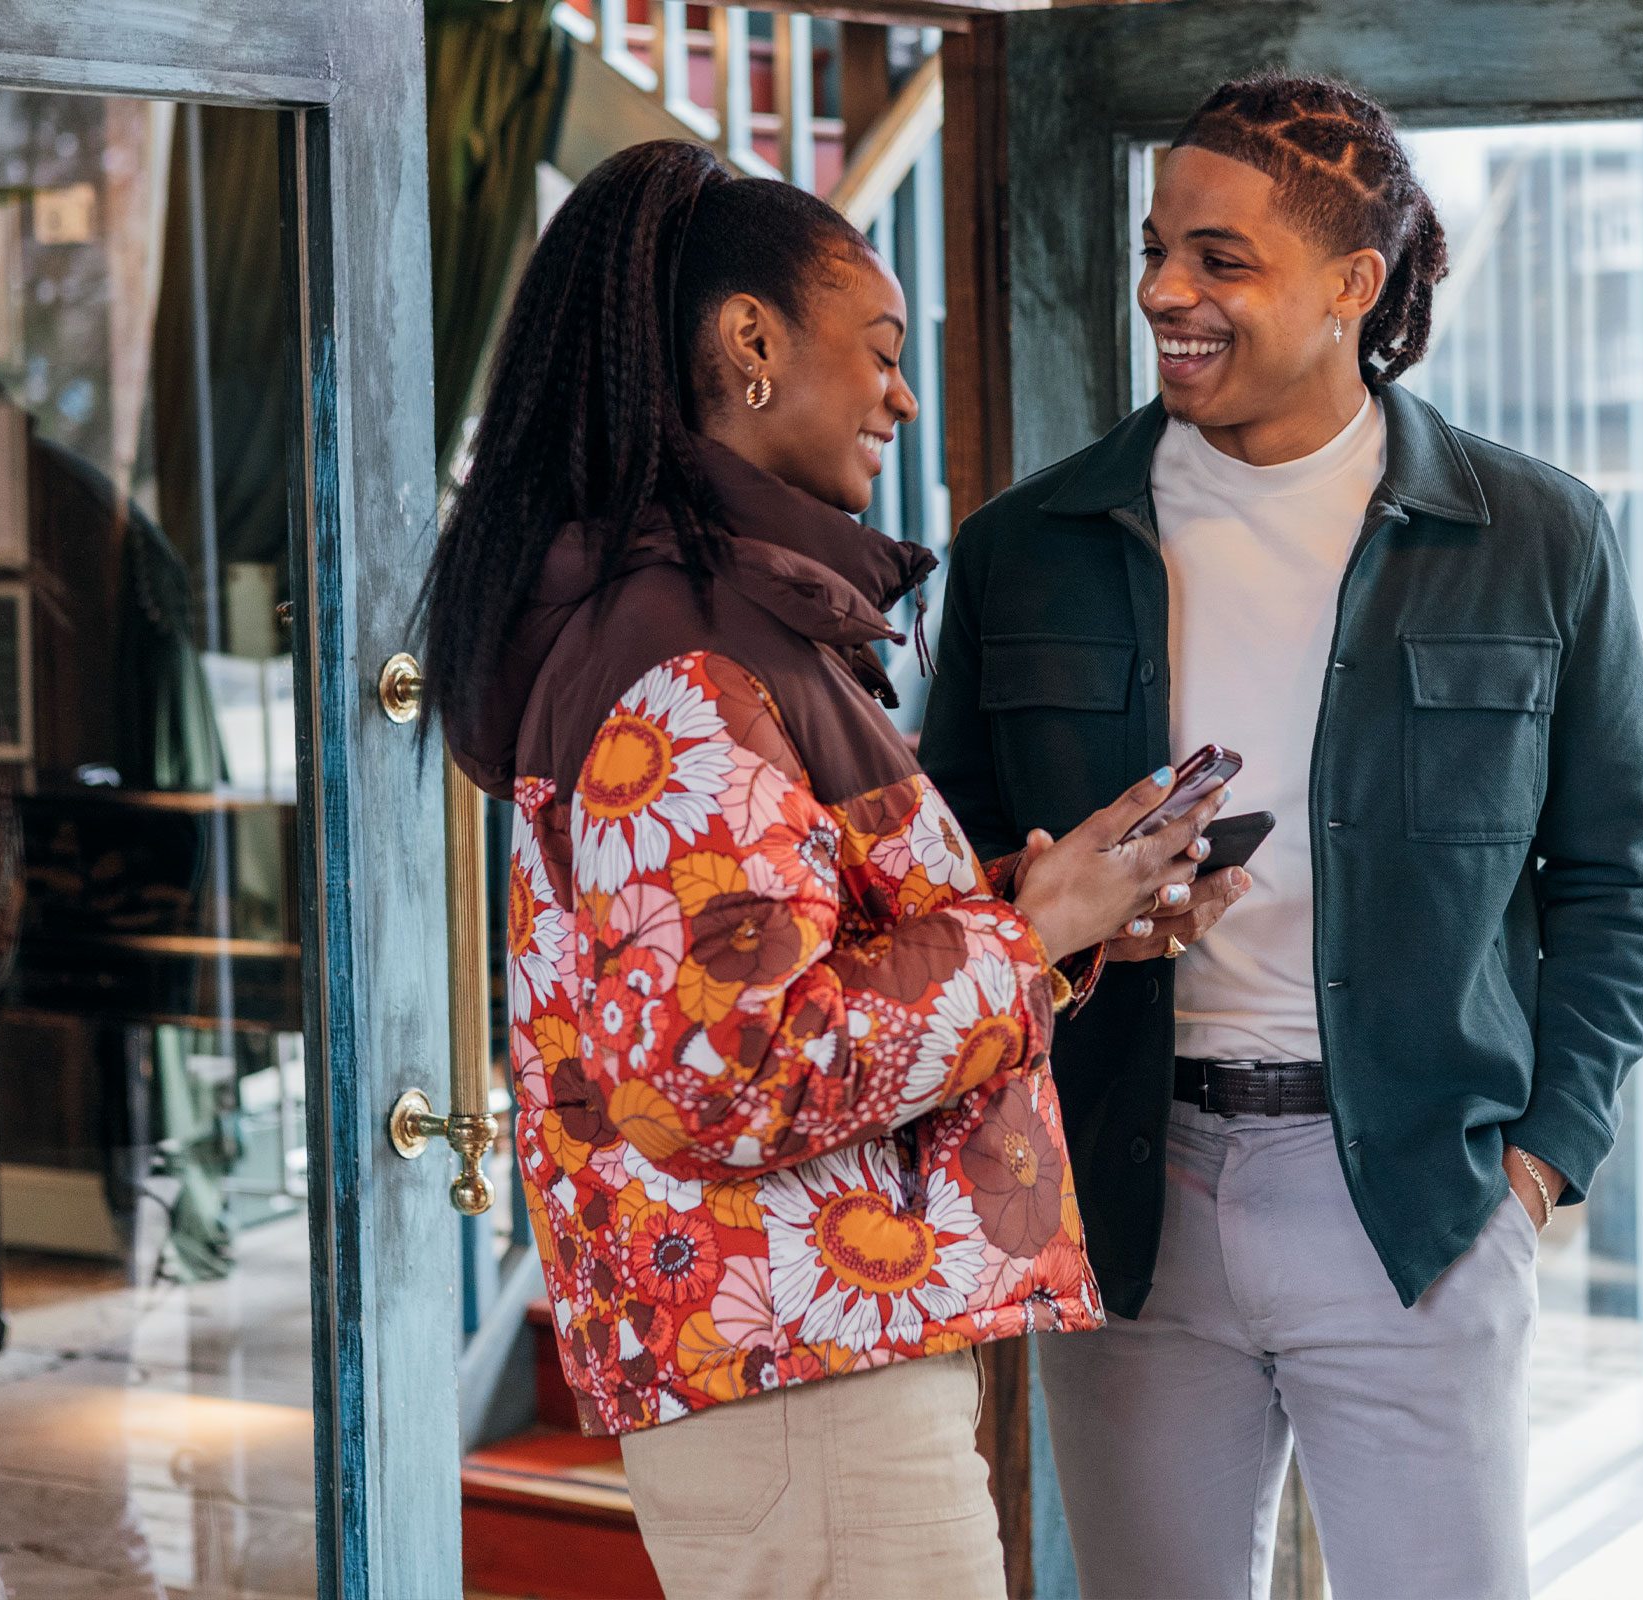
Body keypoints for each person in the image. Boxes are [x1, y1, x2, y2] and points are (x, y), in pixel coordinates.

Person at [918, 74, 1643, 1599]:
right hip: (1129, 1190)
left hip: (1413, 1191)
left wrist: (1540, 1163)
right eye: (1157, 251)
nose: (1164, 293)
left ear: (1356, 283)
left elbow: (1620, 877)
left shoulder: (1534, 539)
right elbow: (943, 879)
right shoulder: (1029, 548)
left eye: (1219, 258)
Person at [423, 139, 1223, 1599]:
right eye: (881, 351)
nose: (903, 396)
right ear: (749, 344)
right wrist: (1023, 937)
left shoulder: (695, 619)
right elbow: (729, 1066)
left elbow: (765, 944)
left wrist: (1057, 913)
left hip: (798, 1360)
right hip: (802, 1371)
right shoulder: (685, 647)